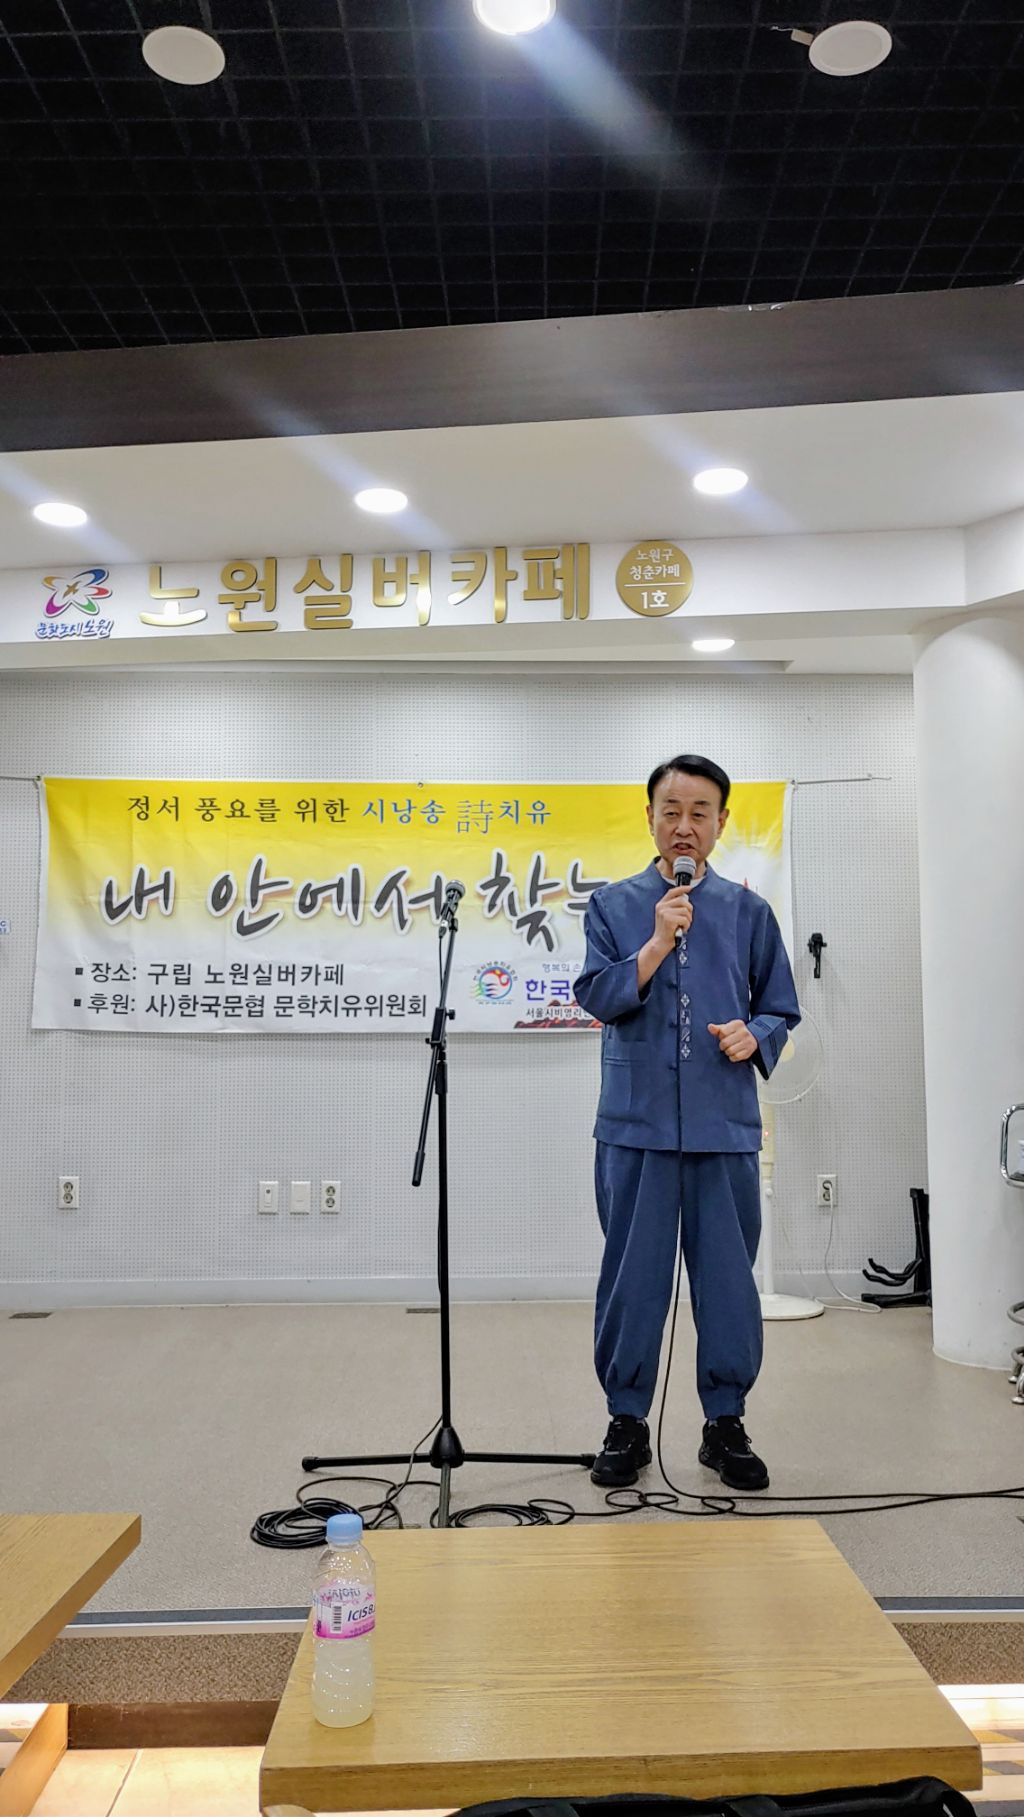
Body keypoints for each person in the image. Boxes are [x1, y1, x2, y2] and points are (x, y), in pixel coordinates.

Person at [574, 754, 800, 1493]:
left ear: (721, 823)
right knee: (632, 1280)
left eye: (700, 812)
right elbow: (597, 995)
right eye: (670, 811)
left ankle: (725, 1422)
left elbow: (780, 1007)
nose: (684, 826)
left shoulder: (748, 912)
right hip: (635, 1126)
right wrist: (653, 945)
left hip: (722, 1126)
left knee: (728, 1281)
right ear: (649, 818)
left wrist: (753, 1035)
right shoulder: (613, 906)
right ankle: (626, 1420)